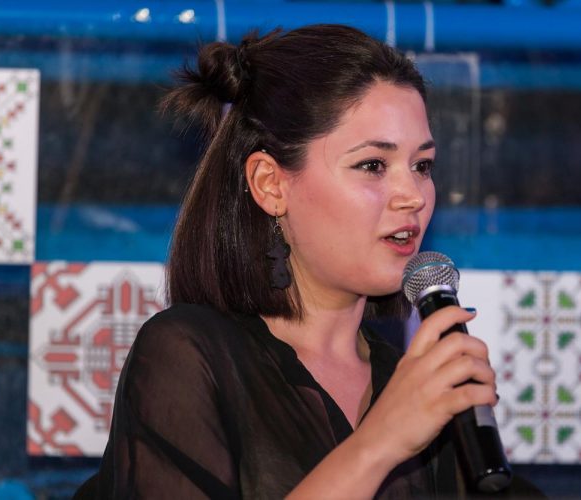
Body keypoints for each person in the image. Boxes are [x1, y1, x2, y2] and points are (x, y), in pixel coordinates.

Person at [80, 24, 542, 499]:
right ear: (270, 184)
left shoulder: (415, 389)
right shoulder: (188, 355)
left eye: (422, 166)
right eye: (372, 165)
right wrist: (380, 442)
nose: (414, 196)